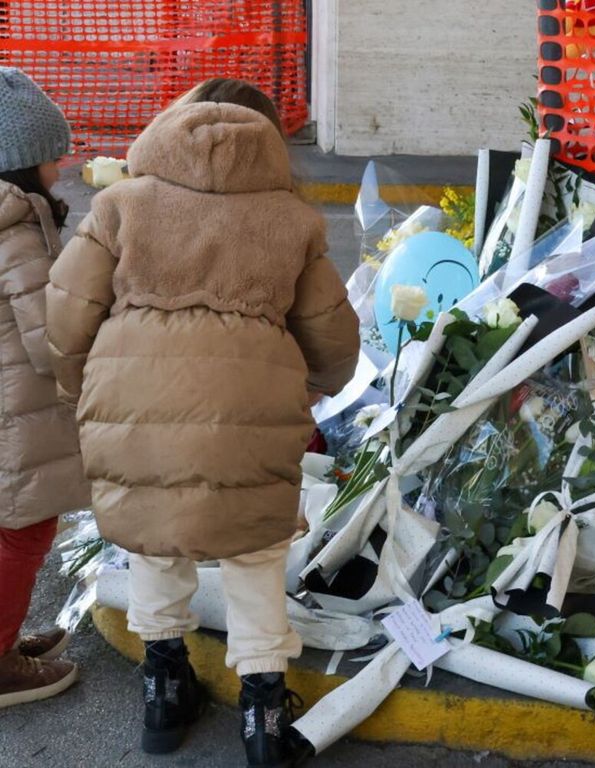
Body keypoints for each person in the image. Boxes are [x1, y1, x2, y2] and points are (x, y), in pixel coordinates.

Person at [46, 78, 359, 766]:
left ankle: (163, 690)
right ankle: (265, 718)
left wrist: (87, 386)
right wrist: (303, 388)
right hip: (253, 406)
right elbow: (334, 343)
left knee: (157, 539)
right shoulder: (292, 222)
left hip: (133, 399)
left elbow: (68, 313)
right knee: (254, 554)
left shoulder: (121, 205)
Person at [0, 68, 90, 707]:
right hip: (15, 411)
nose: (64, 161)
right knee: (24, 532)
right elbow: (48, 340)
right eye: (52, 151)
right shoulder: (16, 228)